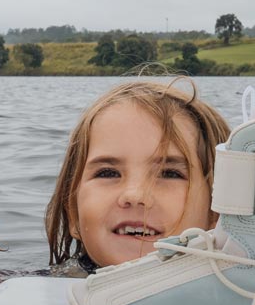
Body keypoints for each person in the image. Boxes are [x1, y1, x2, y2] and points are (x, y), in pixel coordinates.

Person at [45, 80, 230, 272]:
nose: (135, 196)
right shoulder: (25, 292)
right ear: (73, 213)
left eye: (168, 174)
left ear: (216, 211)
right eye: (108, 173)